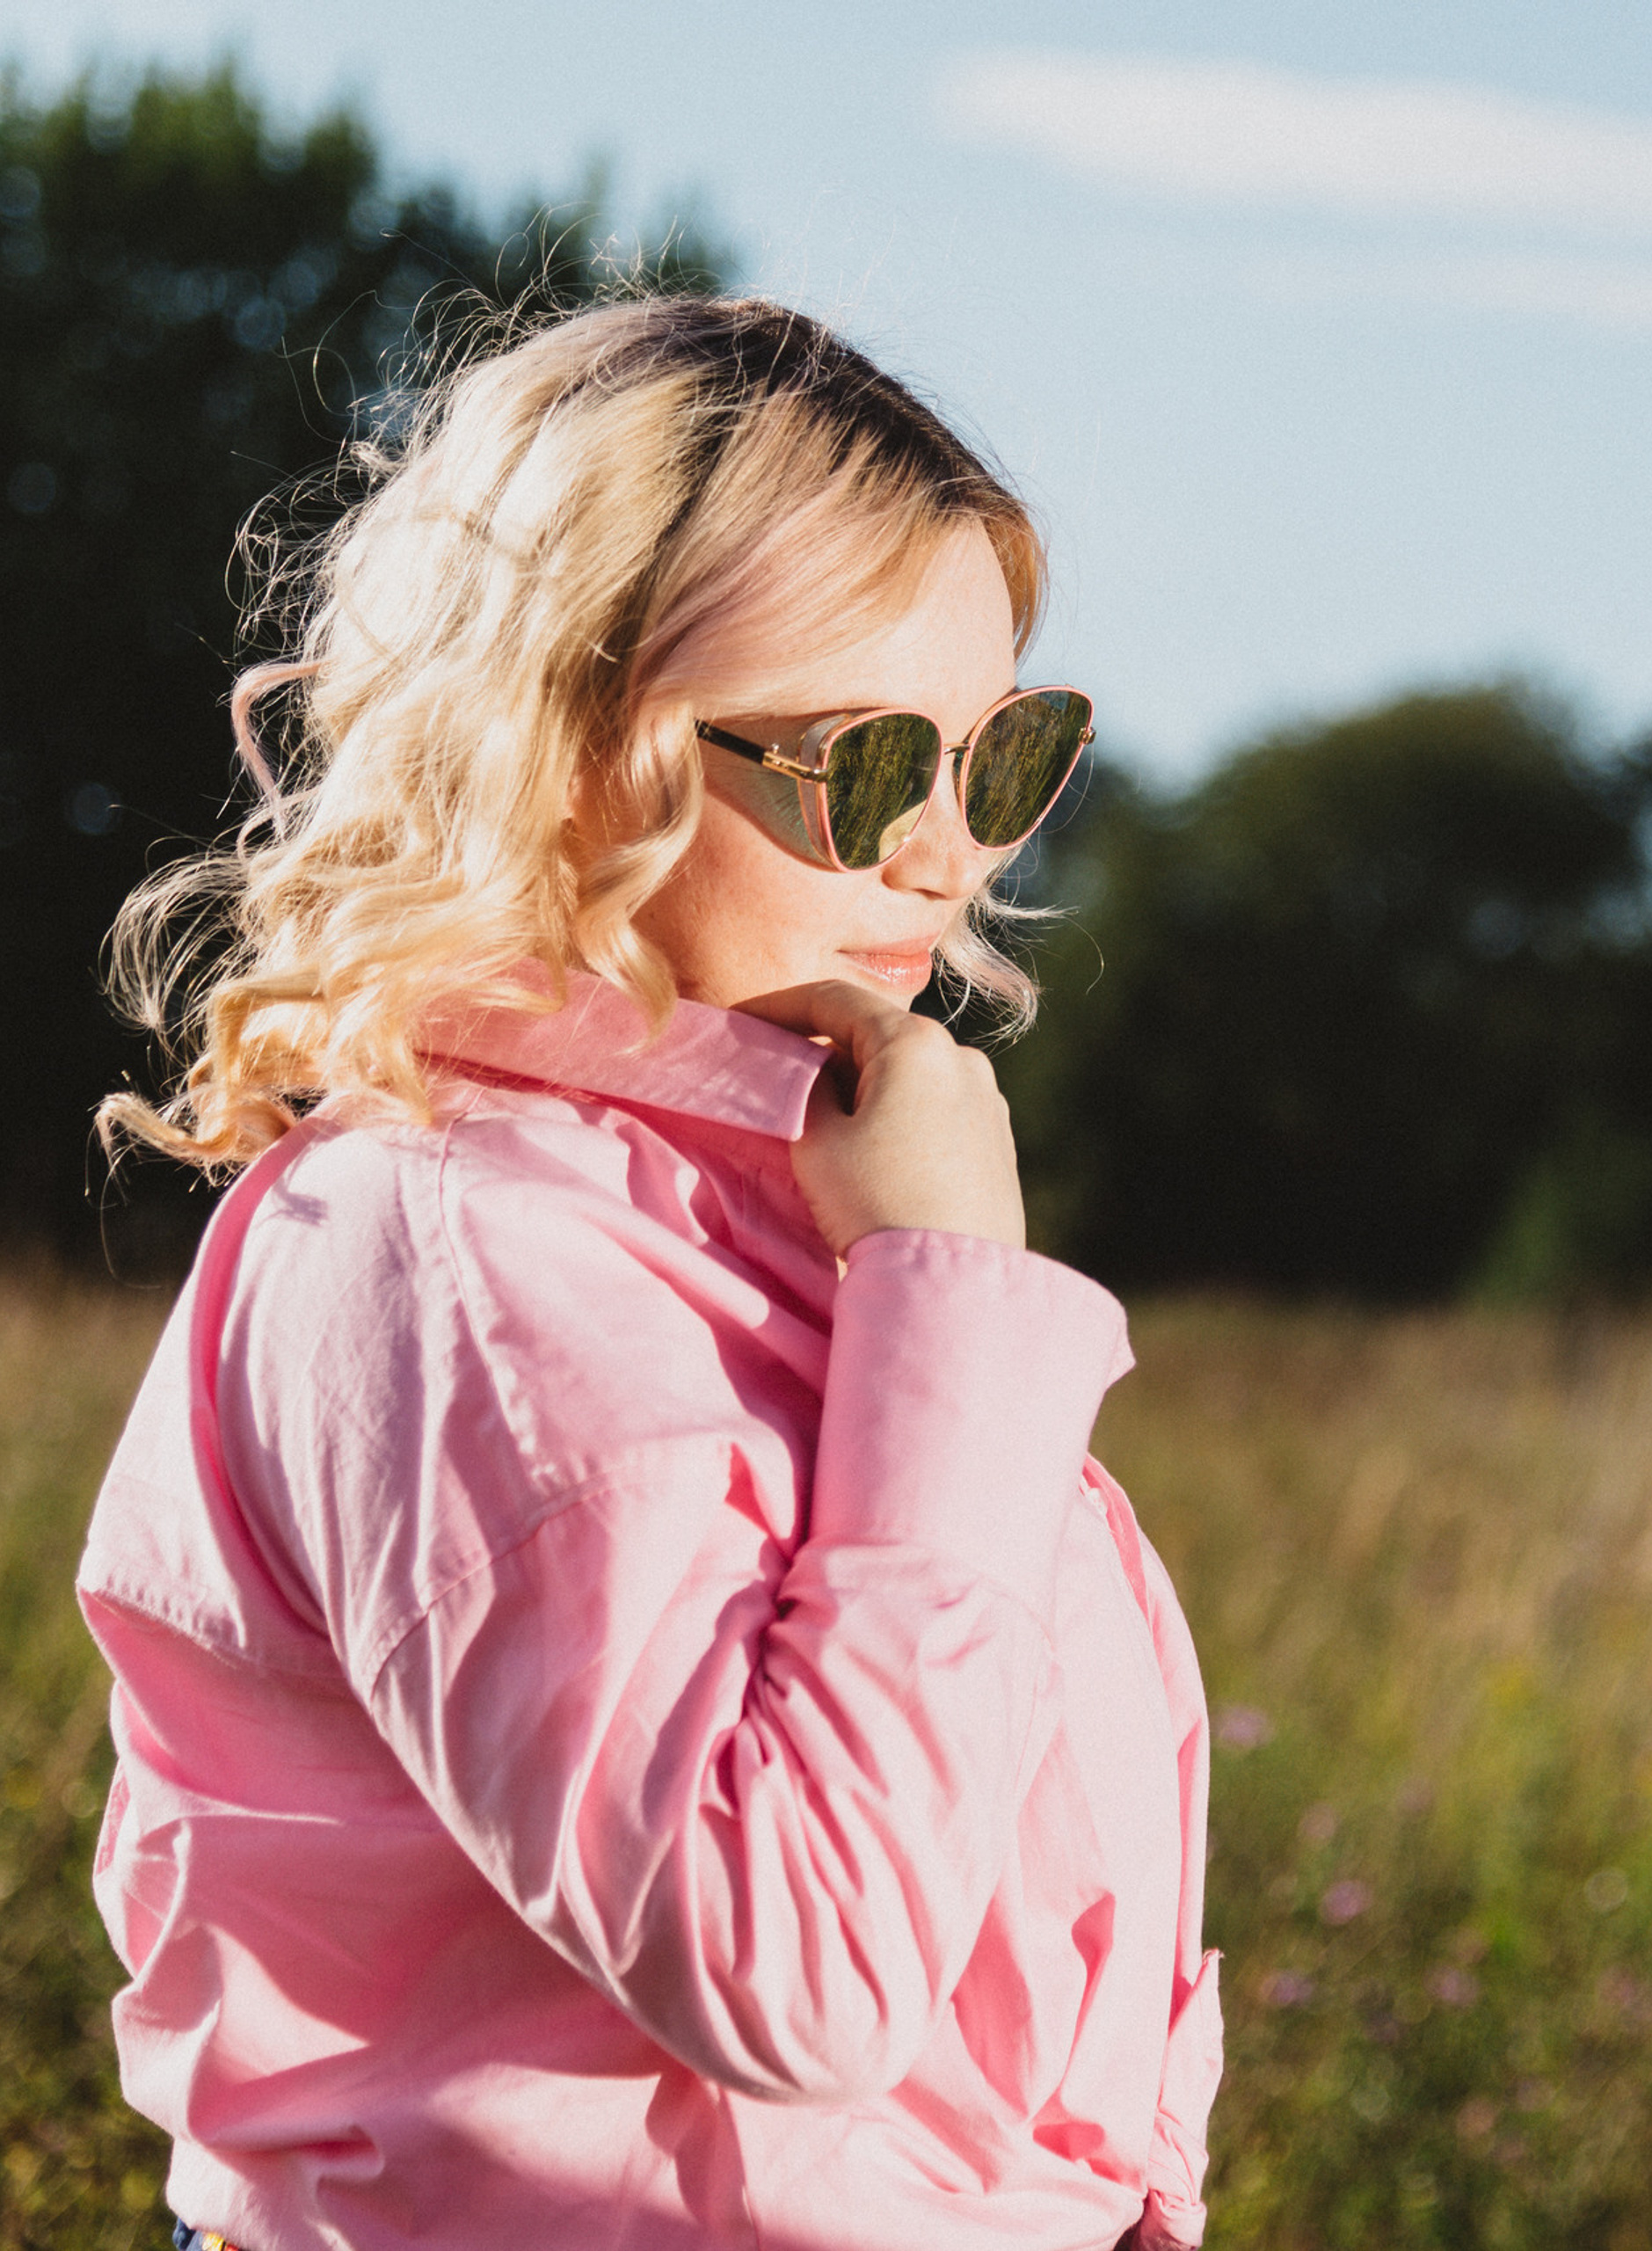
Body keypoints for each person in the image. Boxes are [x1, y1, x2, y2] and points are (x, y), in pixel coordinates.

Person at [76, 294, 1221, 2251]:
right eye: (869, 767)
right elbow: (789, 1962)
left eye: (1003, 752)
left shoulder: (760, 1210)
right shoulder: (461, 1264)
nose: (947, 857)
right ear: (576, 750)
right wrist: (948, 1292)